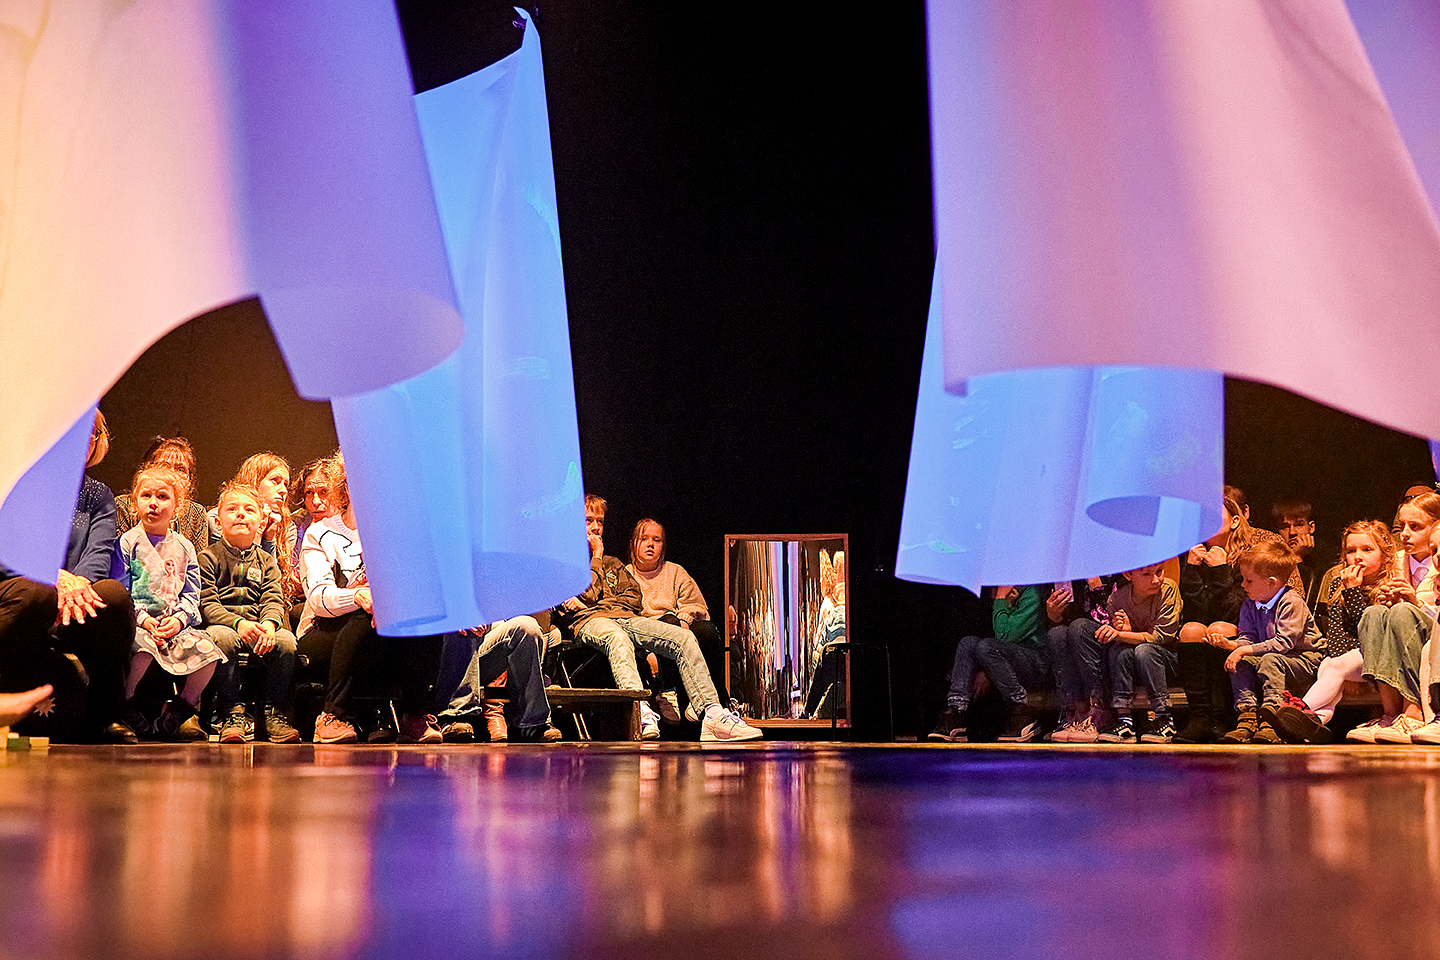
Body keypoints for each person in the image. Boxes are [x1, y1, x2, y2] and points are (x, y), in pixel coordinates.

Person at [554, 495, 762, 742]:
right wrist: (596, 556)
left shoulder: (614, 563)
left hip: (624, 617)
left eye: (600, 521)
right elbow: (585, 593)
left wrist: (599, 600)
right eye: (589, 520)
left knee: (683, 637)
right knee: (618, 638)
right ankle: (640, 712)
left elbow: (634, 598)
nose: (596, 527)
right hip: (590, 622)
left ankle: (713, 715)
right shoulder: (564, 560)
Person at [0, 410, 136, 743]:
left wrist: (76, 587)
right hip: (22, 589)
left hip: (74, 600)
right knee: (38, 592)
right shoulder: (17, 482)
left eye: (91, 433)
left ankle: (104, 717)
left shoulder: (98, 496)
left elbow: (98, 554)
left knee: (113, 596)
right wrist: (52, 577)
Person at [295, 455, 444, 744]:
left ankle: (414, 714)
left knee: (427, 614)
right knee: (369, 613)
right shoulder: (321, 532)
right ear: (346, 484)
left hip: (381, 630)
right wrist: (360, 596)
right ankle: (332, 716)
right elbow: (318, 599)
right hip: (324, 631)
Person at [113, 463, 223, 741]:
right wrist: (144, 620)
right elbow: (121, 590)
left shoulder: (185, 547)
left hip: (173, 626)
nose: (153, 503)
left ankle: (182, 708)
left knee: (209, 653)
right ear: (135, 502)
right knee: (143, 651)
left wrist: (178, 620)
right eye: (146, 496)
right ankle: (125, 704)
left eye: (162, 497)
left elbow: (191, 594)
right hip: (140, 625)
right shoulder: (127, 542)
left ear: (177, 506)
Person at [199, 482, 301, 743]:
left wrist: (269, 624)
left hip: (259, 628)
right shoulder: (208, 557)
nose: (241, 514)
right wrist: (238, 623)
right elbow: (208, 604)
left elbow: (273, 598)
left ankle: (273, 713)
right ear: (218, 521)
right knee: (222, 639)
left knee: (286, 642)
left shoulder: (266, 561)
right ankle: (231, 712)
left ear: (261, 521)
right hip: (226, 626)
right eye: (232, 509)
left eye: (249, 510)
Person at [1275, 520, 1393, 743]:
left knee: (1334, 666)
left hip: (1381, 657)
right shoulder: (1338, 584)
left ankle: (1301, 708)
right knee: (1328, 665)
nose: (1357, 557)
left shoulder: (1388, 586)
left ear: (1385, 555)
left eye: (1367, 550)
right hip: (1352, 658)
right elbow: (1336, 631)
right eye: (1351, 551)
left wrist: (1353, 592)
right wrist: (1345, 668)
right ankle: (1314, 722)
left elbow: (1370, 631)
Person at [1348, 491, 1439, 743]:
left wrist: (1414, 602)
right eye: (1402, 526)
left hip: (1433, 634)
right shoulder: (1395, 561)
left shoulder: (1439, 559)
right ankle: (1390, 714)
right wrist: (1386, 599)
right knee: (1374, 613)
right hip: (1401, 632)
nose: (1405, 534)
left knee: (1402, 612)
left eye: (1415, 527)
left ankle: (1413, 713)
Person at [1218, 541, 1325, 743]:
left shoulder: (1291, 602)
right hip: (1273, 658)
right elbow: (1248, 637)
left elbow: (1284, 643)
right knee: (1241, 663)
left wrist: (1244, 649)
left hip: (1306, 660)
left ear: (1271, 582)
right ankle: (1247, 716)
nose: (1243, 585)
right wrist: (1233, 646)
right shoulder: (1250, 604)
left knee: (1270, 660)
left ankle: (1273, 718)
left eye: (1249, 580)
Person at [625, 517, 725, 722]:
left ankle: (713, 701)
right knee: (669, 623)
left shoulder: (675, 572)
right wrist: (649, 652)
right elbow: (623, 614)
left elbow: (697, 606)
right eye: (644, 539)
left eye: (656, 540)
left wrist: (684, 623)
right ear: (634, 543)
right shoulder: (625, 574)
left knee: (707, 631)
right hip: (643, 635)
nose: (650, 544)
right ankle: (667, 690)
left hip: (679, 627)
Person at [1173, 494, 1255, 743]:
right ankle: (1200, 717)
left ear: (1234, 521)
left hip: (1245, 629)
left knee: (1219, 628)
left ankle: (1222, 717)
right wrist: (1191, 569)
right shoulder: (1195, 555)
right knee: (1190, 630)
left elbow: (1235, 609)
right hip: (1207, 626)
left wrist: (1220, 570)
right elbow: (1195, 611)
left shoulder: (1247, 557)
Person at [929, 584, 1049, 743]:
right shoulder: (1003, 592)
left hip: (1036, 662)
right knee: (968, 643)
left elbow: (1005, 635)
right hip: (1004, 656)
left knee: (987, 646)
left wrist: (1000, 599)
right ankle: (957, 710)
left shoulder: (1031, 592)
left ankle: (1022, 707)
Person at [431, 617, 561, 743]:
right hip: (439, 651)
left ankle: (530, 723)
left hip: (478, 650)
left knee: (526, 626)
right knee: (461, 624)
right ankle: (452, 716)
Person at [1096, 562, 1182, 743]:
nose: (1156, 580)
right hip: (1135, 663)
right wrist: (1124, 632)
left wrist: (1123, 634)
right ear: (1128, 575)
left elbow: (1161, 637)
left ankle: (1164, 718)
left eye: (1159, 572)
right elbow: (1124, 639)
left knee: (1144, 650)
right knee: (1119, 650)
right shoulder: (1116, 600)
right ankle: (1124, 719)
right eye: (1146, 574)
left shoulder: (1168, 589)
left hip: (1165, 660)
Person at [1045, 575, 1122, 743]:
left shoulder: (1117, 573)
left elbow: (1112, 618)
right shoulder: (1072, 575)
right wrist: (1055, 615)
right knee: (1057, 634)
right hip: (1081, 644)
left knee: (1079, 627)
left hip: (1114, 641)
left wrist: (1097, 588)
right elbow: (1070, 618)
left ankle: (1099, 711)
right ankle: (1075, 714)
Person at [114, 436, 212, 552]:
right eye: (164, 466)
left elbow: (198, 559)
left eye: (180, 469)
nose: (172, 473)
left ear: (189, 479)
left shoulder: (197, 513)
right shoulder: (123, 506)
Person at [1271, 497, 1324, 608]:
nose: (1292, 532)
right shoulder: (1270, 560)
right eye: (1285, 527)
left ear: (1311, 527)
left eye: (1299, 525)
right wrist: (1295, 557)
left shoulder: (1324, 560)